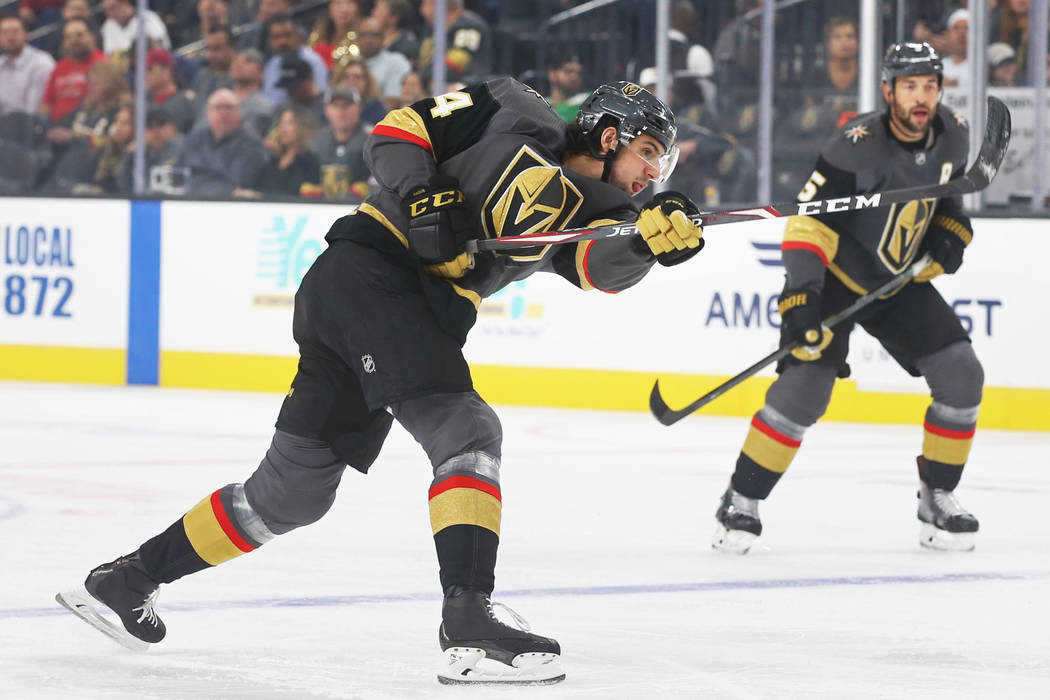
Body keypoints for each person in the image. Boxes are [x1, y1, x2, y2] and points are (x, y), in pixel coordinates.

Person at [56, 78, 705, 685]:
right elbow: (398, 130)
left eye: (663, 165)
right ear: (610, 132)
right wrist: (424, 192)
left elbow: (594, 264)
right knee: (466, 428)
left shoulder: (602, 208)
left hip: (390, 307)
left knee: (292, 494)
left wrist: (649, 244)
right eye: (649, 151)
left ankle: (126, 581)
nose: (653, 173)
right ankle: (469, 625)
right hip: (372, 274)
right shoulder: (515, 107)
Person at [712, 42, 980, 555]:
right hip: (834, 278)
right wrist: (801, 300)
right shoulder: (856, 144)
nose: (921, 98)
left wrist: (951, 234)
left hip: (899, 282)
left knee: (962, 374)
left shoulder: (954, 134)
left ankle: (937, 496)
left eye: (929, 86)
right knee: (808, 386)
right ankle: (741, 500)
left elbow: (948, 202)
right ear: (888, 91)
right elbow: (810, 225)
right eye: (909, 86)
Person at [173, 87, 268, 196]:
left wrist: (197, 183)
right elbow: (177, 175)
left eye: (229, 107)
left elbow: (236, 183)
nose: (224, 113)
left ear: (239, 112)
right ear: (208, 113)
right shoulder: (195, 140)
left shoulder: (251, 145)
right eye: (218, 107)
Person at [38, 18, 106, 123]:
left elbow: (103, 105)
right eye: (69, 37)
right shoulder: (59, 67)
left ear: (92, 37)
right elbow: (47, 103)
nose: (74, 40)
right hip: (55, 127)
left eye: (79, 35)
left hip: (84, 125)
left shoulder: (103, 64)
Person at [310, 85, 370, 198]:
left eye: (347, 105)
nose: (341, 111)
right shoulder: (317, 142)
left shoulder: (371, 140)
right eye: (335, 105)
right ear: (326, 110)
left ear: (359, 108)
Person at [418, 0, 492, 82]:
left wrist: (425, 78)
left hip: (466, 84)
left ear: (440, 6)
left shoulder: (469, 26)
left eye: (426, 4)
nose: (422, 10)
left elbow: (455, 64)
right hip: (435, 82)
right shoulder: (431, 28)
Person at [261, 14, 329, 103]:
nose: (283, 41)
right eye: (276, 37)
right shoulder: (273, 63)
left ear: (298, 35)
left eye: (287, 35)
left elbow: (320, 95)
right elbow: (269, 98)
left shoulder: (312, 60)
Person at [254, 107, 320, 196]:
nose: (282, 128)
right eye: (281, 122)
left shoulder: (309, 162)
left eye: (290, 123)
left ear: (302, 126)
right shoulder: (273, 160)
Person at [0, 16, 55, 115]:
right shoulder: (1, 63)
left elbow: (33, 110)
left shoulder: (42, 62)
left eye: (15, 32)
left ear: (26, 34)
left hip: (29, 124)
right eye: (5, 32)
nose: (10, 37)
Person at [356, 16, 411, 110]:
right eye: (363, 35)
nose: (368, 40)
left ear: (383, 37)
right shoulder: (351, 63)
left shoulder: (396, 62)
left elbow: (391, 104)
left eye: (374, 35)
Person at [145, 48, 198, 134]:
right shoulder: (146, 105)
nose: (144, 74)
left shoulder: (186, 102)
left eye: (149, 69)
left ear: (166, 70)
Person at [99, 0, 171, 57]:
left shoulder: (148, 18)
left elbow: (163, 46)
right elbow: (109, 56)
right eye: (106, 10)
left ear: (125, 2)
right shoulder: (108, 26)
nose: (109, 13)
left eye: (112, 8)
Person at [308, 0, 364, 69]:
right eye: (337, 3)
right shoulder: (318, 33)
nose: (344, 9)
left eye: (349, 3)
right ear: (329, 7)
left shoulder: (363, 35)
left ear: (357, 7)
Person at [370, 0, 419, 65]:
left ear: (393, 17)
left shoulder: (407, 47)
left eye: (378, 8)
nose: (373, 12)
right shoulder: (369, 41)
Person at [545, 49, 587, 122]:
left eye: (579, 73)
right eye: (568, 71)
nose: (574, 76)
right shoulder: (540, 105)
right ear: (552, 74)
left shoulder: (587, 103)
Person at [941, 8, 969, 87]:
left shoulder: (981, 66)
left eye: (967, 28)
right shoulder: (940, 65)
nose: (962, 33)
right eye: (956, 28)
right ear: (948, 35)